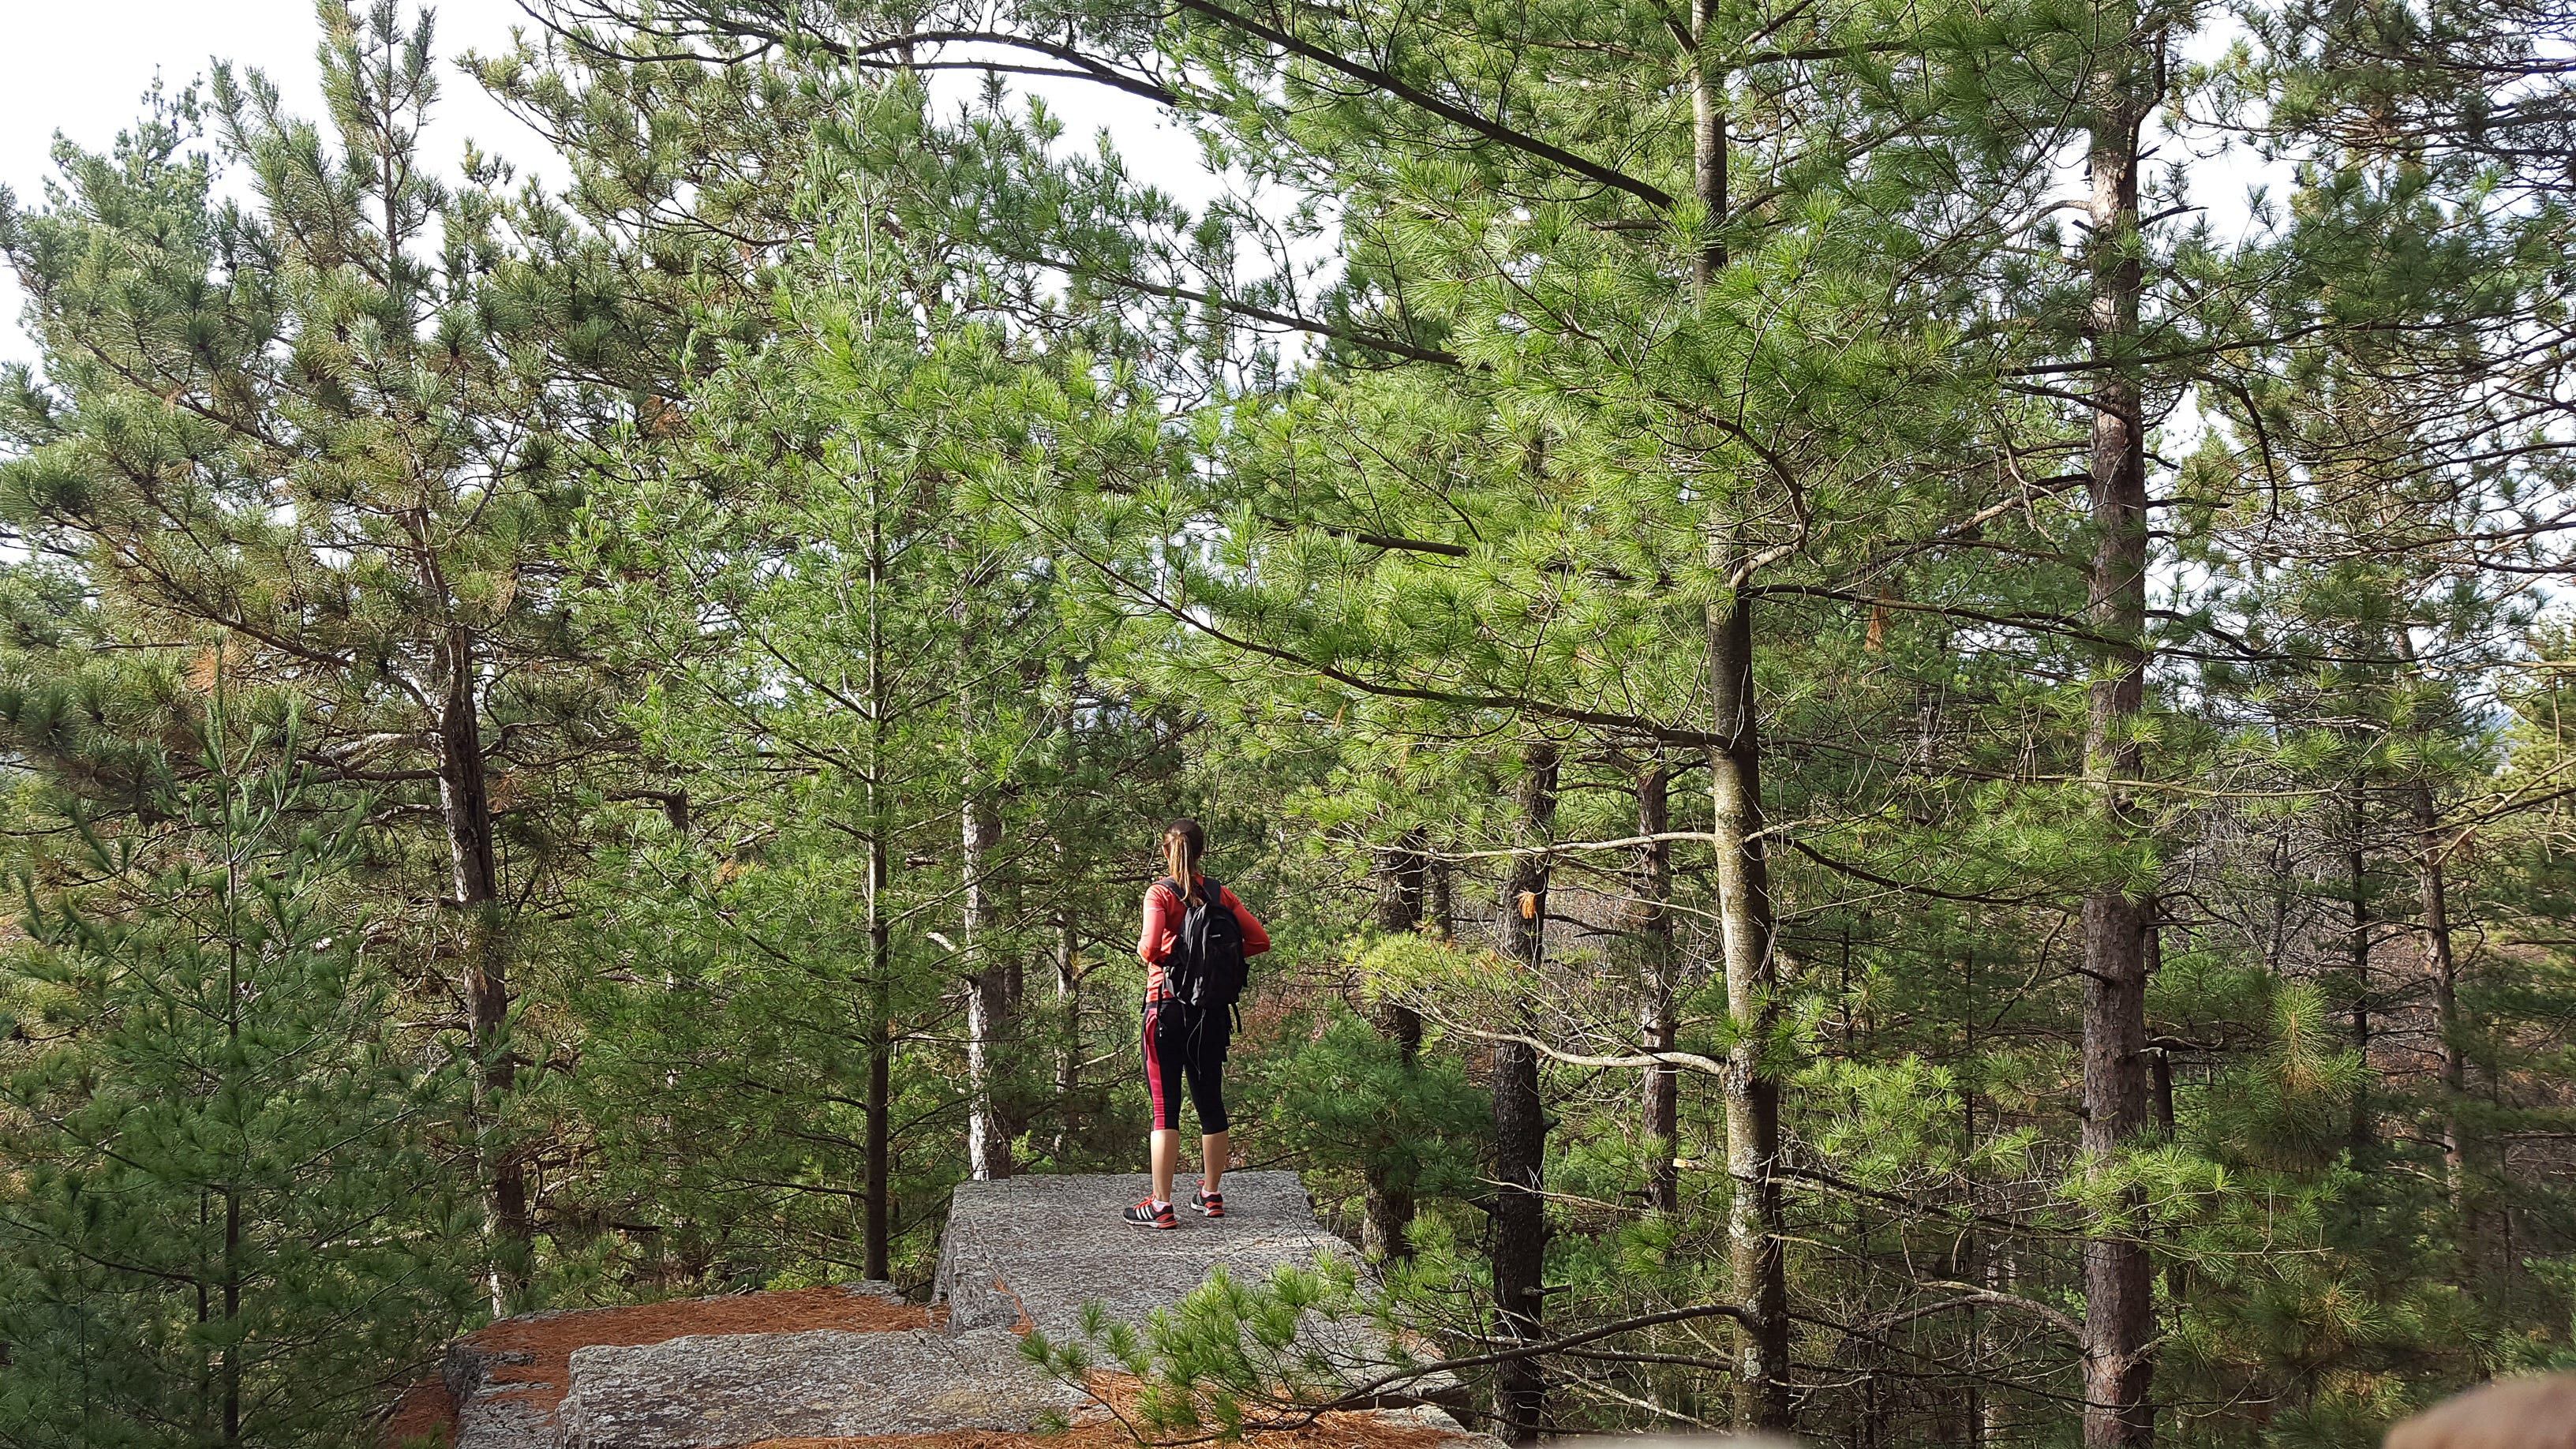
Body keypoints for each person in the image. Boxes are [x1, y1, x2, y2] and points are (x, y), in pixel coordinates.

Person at [1125, 817, 1269, 1228]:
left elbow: (1149, 948)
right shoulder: (1220, 894)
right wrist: (1211, 961)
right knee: (1210, 1102)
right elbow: (1260, 941)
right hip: (1211, 1012)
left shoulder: (1159, 894)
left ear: (1165, 850)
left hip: (1166, 1008)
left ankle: (1161, 1205)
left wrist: (1173, 953)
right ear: (1202, 851)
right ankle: (1211, 1195)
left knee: (1165, 1108)